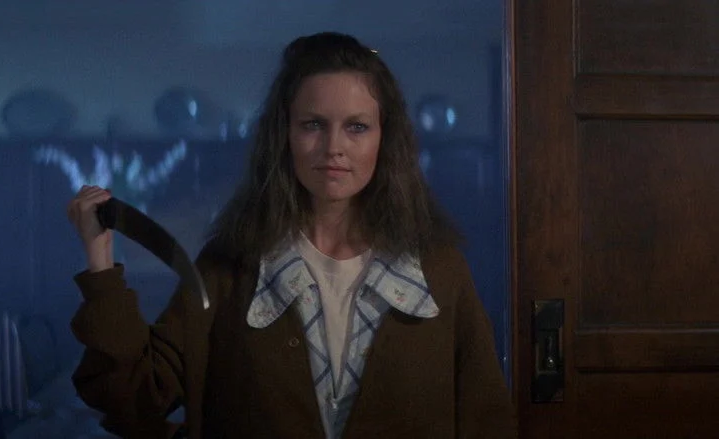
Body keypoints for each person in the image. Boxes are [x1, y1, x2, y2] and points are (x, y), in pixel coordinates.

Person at [67, 32, 516, 439]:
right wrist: (100, 264)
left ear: (385, 138)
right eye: (313, 124)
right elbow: (133, 400)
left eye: (356, 127)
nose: (334, 147)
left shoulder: (439, 269)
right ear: (284, 135)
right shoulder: (230, 267)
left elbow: (487, 420)